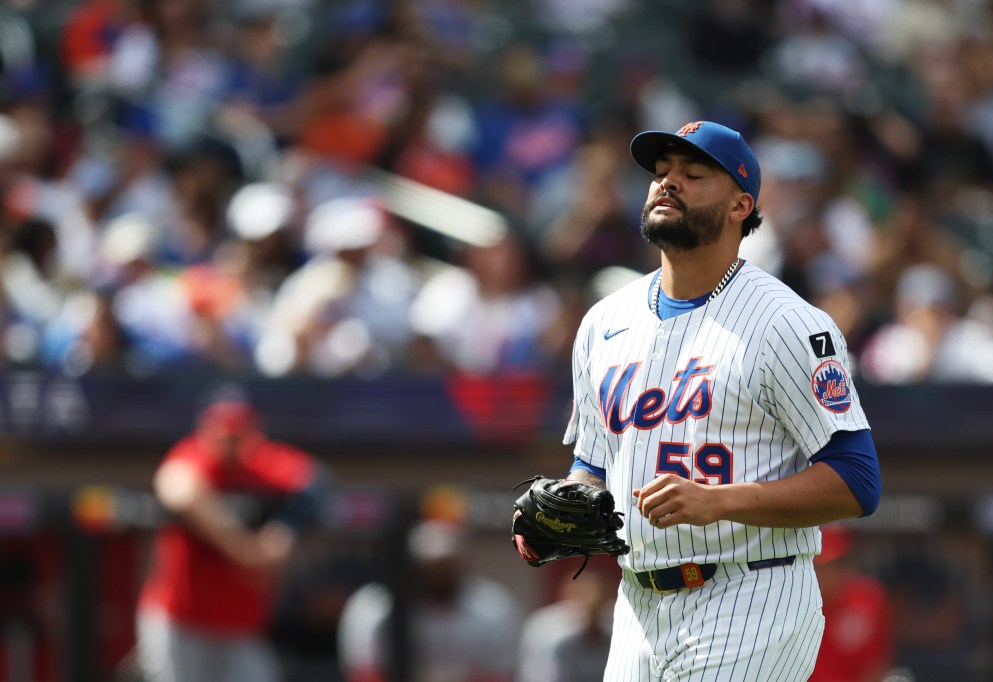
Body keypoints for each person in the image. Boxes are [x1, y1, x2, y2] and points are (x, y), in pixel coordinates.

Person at [558, 120, 882, 680]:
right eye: (662, 172)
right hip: (637, 605)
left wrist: (719, 501)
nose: (668, 182)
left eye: (693, 173)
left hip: (750, 591)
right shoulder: (604, 322)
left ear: (740, 205)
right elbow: (593, 462)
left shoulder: (786, 323)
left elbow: (857, 480)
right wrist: (566, 508)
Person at [135, 397, 330, 682]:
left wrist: (284, 532)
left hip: (240, 628)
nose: (228, 444)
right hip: (181, 623)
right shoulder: (192, 456)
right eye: (221, 435)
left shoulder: (263, 463)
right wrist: (242, 550)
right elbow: (176, 488)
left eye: (237, 436)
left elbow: (316, 482)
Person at [338, 519, 522, 682]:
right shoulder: (373, 608)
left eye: (447, 565)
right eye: (432, 566)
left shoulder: (493, 609)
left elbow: (501, 674)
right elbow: (364, 675)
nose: (440, 574)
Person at [809, 525, 894, 682]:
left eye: (837, 564)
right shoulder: (794, 604)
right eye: (821, 567)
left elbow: (877, 664)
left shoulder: (868, 599)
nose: (829, 574)